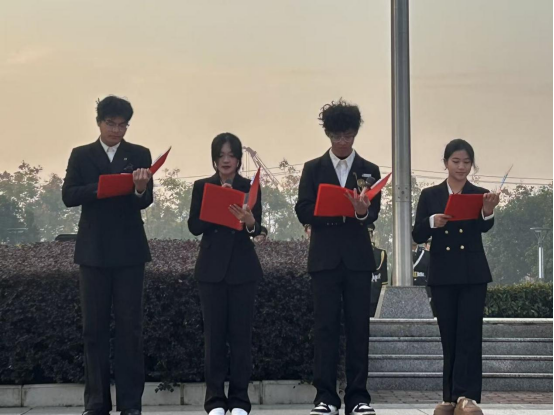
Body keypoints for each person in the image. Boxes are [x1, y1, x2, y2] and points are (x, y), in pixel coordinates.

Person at [62, 96, 154, 415]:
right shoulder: (81, 154)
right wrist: (100, 188)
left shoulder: (139, 154)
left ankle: (130, 405)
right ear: (99, 122)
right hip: (93, 251)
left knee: (130, 330)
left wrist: (138, 188)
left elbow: (145, 199)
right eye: (111, 123)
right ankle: (96, 404)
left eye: (122, 125)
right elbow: (68, 195)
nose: (116, 130)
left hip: (129, 252)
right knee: (94, 330)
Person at [295, 99, 381, 415]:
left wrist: (361, 211)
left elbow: (374, 212)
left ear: (355, 133)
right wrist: (332, 211)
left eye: (348, 135)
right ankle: (326, 397)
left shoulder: (369, 170)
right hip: (324, 258)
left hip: (358, 259)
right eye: (336, 136)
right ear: (328, 134)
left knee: (359, 328)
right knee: (325, 328)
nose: (343, 141)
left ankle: (358, 397)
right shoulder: (313, 168)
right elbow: (302, 209)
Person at [413, 139, 500, 415]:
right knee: (448, 335)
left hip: (472, 273)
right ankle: (449, 397)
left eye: (466, 162)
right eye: (456, 161)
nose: (461, 167)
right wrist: (432, 222)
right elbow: (417, 233)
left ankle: (467, 397)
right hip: (443, 273)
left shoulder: (480, 194)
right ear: (445, 163)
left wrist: (488, 211)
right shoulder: (430, 195)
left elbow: (485, 227)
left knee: (469, 334)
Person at [188, 133, 263, 415]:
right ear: (214, 159)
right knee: (214, 338)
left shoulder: (249, 187)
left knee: (241, 338)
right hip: (211, 271)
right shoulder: (202, 186)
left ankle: (240, 401)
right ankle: (215, 401)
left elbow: (257, 227)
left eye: (231, 155)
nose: (226, 160)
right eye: (221, 155)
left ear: (239, 159)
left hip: (243, 270)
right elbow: (194, 226)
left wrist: (249, 221)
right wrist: (216, 208)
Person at [369, 224, 388, 318]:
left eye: (369, 233)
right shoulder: (353, 252)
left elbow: (384, 281)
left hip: (375, 295)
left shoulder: (380, 254)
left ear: (372, 234)